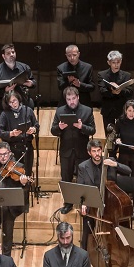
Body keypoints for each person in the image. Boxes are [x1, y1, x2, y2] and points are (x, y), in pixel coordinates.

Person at [77, 138, 132, 249]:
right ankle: (85, 256)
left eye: (98, 150)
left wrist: (115, 164)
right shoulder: (83, 167)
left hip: (110, 205)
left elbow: (129, 171)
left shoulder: (110, 161)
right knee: (87, 232)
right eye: (94, 151)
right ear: (89, 152)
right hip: (91, 205)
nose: (97, 154)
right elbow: (80, 188)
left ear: (102, 150)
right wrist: (83, 203)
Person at [51, 86, 97, 214]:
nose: (71, 101)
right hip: (66, 151)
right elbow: (53, 130)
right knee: (66, 177)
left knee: (84, 178)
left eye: (73, 98)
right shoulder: (60, 111)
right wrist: (59, 128)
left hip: (82, 150)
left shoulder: (87, 111)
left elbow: (93, 130)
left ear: (78, 97)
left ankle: (85, 203)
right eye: (68, 99)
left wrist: (82, 127)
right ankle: (68, 203)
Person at [0, 92, 38, 176]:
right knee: (15, 175)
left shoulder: (28, 110)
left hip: (27, 147)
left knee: (27, 174)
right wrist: (11, 133)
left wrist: (33, 129)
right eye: (10, 102)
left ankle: (26, 188)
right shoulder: (4, 114)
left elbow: (36, 125)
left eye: (14, 100)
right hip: (13, 149)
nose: (13, 104)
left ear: (18, 99)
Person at [113, 100, 134, 192]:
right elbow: (115, 136)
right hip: (123, 154)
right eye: (129, 111)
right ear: (125, 111)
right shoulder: (120, 122)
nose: (131, 113)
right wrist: (117, 139)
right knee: (122, 180)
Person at [0, 43, 35, 111]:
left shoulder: (25, 67)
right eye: (8, 53)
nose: (11, 54)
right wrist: (5, 91)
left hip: (23, 105)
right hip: (5, 108)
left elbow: (33, 81)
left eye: (13, 52)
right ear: (3, 56)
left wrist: (31, 83)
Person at [98, 50, 133, 125]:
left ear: (121, 62)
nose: (116, 65)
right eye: (113, 62)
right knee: (109, 135)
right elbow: (102, 90)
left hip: (122, 110)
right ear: (109, 63)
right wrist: (112, 92)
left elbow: (130, 92)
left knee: (122, 135)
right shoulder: (102, 75)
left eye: (118, 62)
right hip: (108, 110)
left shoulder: (127, 75)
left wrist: (121, 90)